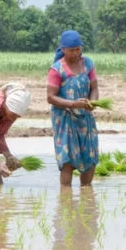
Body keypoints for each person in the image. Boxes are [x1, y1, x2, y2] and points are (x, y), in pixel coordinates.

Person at [46, 30, 100, 187]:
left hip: (85, 117)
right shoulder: (56, 69)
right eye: (72, 50)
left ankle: (86, 194)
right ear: (63, 49)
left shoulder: (88, 64)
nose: (76, 53)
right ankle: (66, 198)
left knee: (90, 158)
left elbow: (94, 89)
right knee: (68, 160)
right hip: (65, 119)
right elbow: (50, 97)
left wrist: (92, 103)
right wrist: (73, 104)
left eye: (78, 49)